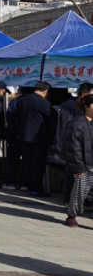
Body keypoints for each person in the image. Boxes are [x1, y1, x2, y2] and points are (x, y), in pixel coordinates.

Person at [13, 81, 55, 195]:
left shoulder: (21, 101)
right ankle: (36, 189)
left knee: (28, 163)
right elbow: (53, 118)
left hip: (24, 136)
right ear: (45, 91)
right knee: (38, 164)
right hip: (39, 138)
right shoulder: (44, 103)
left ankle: (30, 186)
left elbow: (17, 117)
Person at [63, 94, 93, 227]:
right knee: (79, 193)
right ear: (86, 106)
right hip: (84, 166)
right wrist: (79, 167)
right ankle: (71, 216)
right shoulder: (76, 123)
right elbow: (72, 148)